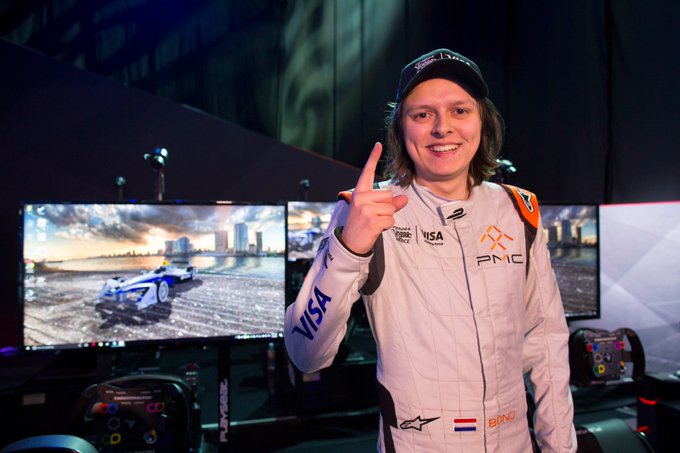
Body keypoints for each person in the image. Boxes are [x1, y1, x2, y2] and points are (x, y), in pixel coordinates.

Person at [284, 48, 576, 452]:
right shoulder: (366, 209)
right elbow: (305, 354)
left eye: (460, 110)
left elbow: (545, 340)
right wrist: (349, 248)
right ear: (400, 129)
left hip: (514, 440)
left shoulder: (518, 209)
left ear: (482, 120)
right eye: (422, 115)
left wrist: (560, 448)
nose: (443, 128)